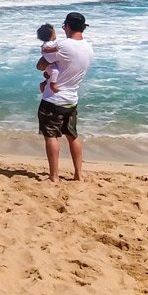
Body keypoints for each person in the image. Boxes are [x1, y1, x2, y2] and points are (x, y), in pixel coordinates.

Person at [36, 12, 93, 182]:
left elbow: (41, 65)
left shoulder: (63, 45)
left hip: (53, 99)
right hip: (72, 100)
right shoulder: (89, 47)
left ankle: (54, 176)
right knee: (72, 136)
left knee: (51, 136)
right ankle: (78, 175)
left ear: (67, 26)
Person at [36, 24, 60, 95]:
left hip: (50, 63)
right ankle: (52, 85)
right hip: (49, 64)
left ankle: (43, 84)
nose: (56, 34)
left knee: (51, 75)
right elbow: (45, 49)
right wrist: (54, 49)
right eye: (54, 32)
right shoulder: (47, 44)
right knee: (55, 72)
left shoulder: (50, 43)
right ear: (51, 35)